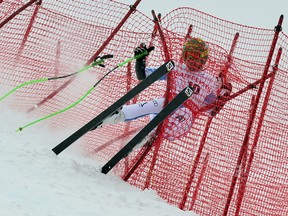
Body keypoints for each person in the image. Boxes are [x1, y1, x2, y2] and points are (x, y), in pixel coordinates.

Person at [90, 38, 232, 142]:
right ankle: (112, 118)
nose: (193, 61)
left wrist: (223, 98)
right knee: (154, 105)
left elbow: (210, 110)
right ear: (184, 56)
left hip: (182, 119)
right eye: (190, 57)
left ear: (204, 60)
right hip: (166, 106)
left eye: (197, 58)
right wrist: (140, 61)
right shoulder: (176, 68)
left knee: (177, 110)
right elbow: (143, 76)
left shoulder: (210, 80)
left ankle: (148, 137)